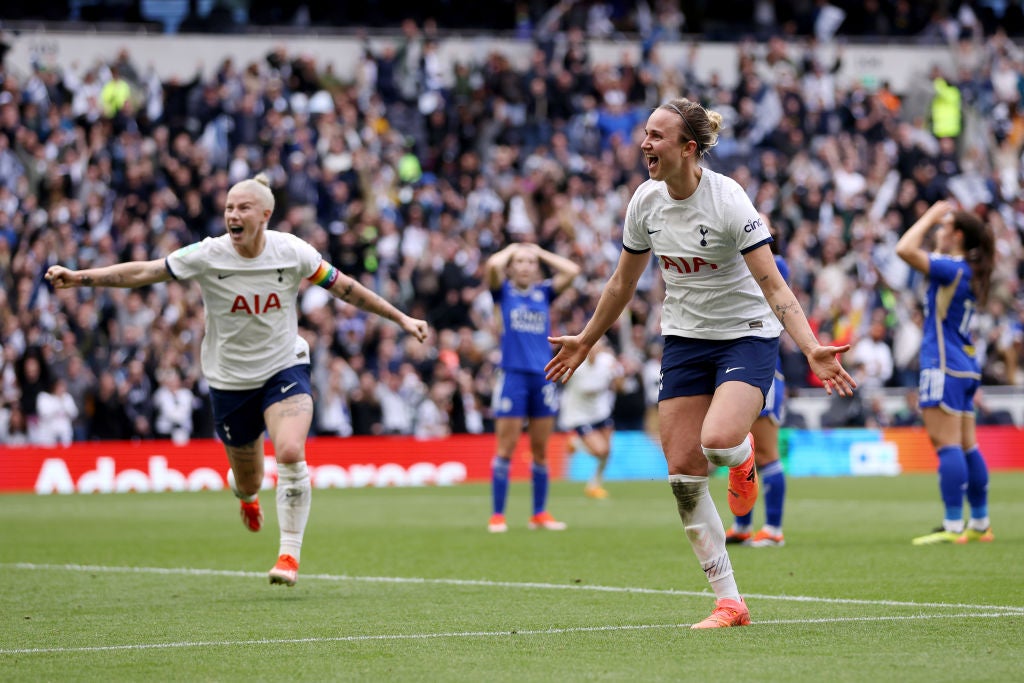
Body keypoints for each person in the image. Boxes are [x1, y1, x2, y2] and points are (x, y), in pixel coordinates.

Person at [544, 98, 856, 628]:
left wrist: (809, 347)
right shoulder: (644, 202)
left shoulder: (729, 200)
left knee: (717, 441)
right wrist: (587, 340)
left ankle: (742, 459)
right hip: (685, 340)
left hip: (747, 336)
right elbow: (623, 283)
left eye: (657, 136)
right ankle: (730, 601)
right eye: (645, 134)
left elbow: (772, 283)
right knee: (683, 476)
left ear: (689, 149)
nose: (645, 143)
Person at [46, 173, 428, 585]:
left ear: (265, 214)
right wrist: (81, 277)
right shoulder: (208, 254)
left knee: (289, 450)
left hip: (284, 366)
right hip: (230, 380)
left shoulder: (292, 251)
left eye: (243, 207)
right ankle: (246, 496)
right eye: (229, 207)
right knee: (250, 479)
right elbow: (145, 272)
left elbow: (347, 289)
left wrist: (401, 318)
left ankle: (288, 556)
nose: (233, 214)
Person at [895, 199, 995, 545]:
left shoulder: (951, 267)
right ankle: (979, 523)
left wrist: (929, 215)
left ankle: (953, 526)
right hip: (965, 366)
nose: (938, 230)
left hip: (943, 363)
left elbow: (904, 249)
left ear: (957, 235)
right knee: (968, 445)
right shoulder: (970, 269)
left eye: (944, 226)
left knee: (946, 445)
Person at [486, 242, 581, 533]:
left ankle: (539, 513)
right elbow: (491, 266)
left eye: (530, 262)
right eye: (520, 261)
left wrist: (538, 251)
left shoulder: (544, 292)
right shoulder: (503, 292)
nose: (525, 266)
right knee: (506, 447)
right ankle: (498, 515)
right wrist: (514, 248)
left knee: (540, 450)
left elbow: (573, 270)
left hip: (542, 377)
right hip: (513, 375)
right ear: (511, 267)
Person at [725, 241, 791, 548]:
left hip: (763, 367)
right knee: (739, 447)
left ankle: (774, 529)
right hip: (736, 365)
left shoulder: (774, 263)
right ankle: (742, 524)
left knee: (765, 452)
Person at [558, 335, 623, 499]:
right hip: (579, 414)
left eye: (597, 346)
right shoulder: (576, 365)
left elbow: (620, 384)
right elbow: (559, 377)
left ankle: (594, 485)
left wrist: (618, 373)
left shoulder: (607, 361)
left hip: (601, 411)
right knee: (600, 450)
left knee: (606, 451)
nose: (594, 350)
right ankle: (575, 443)